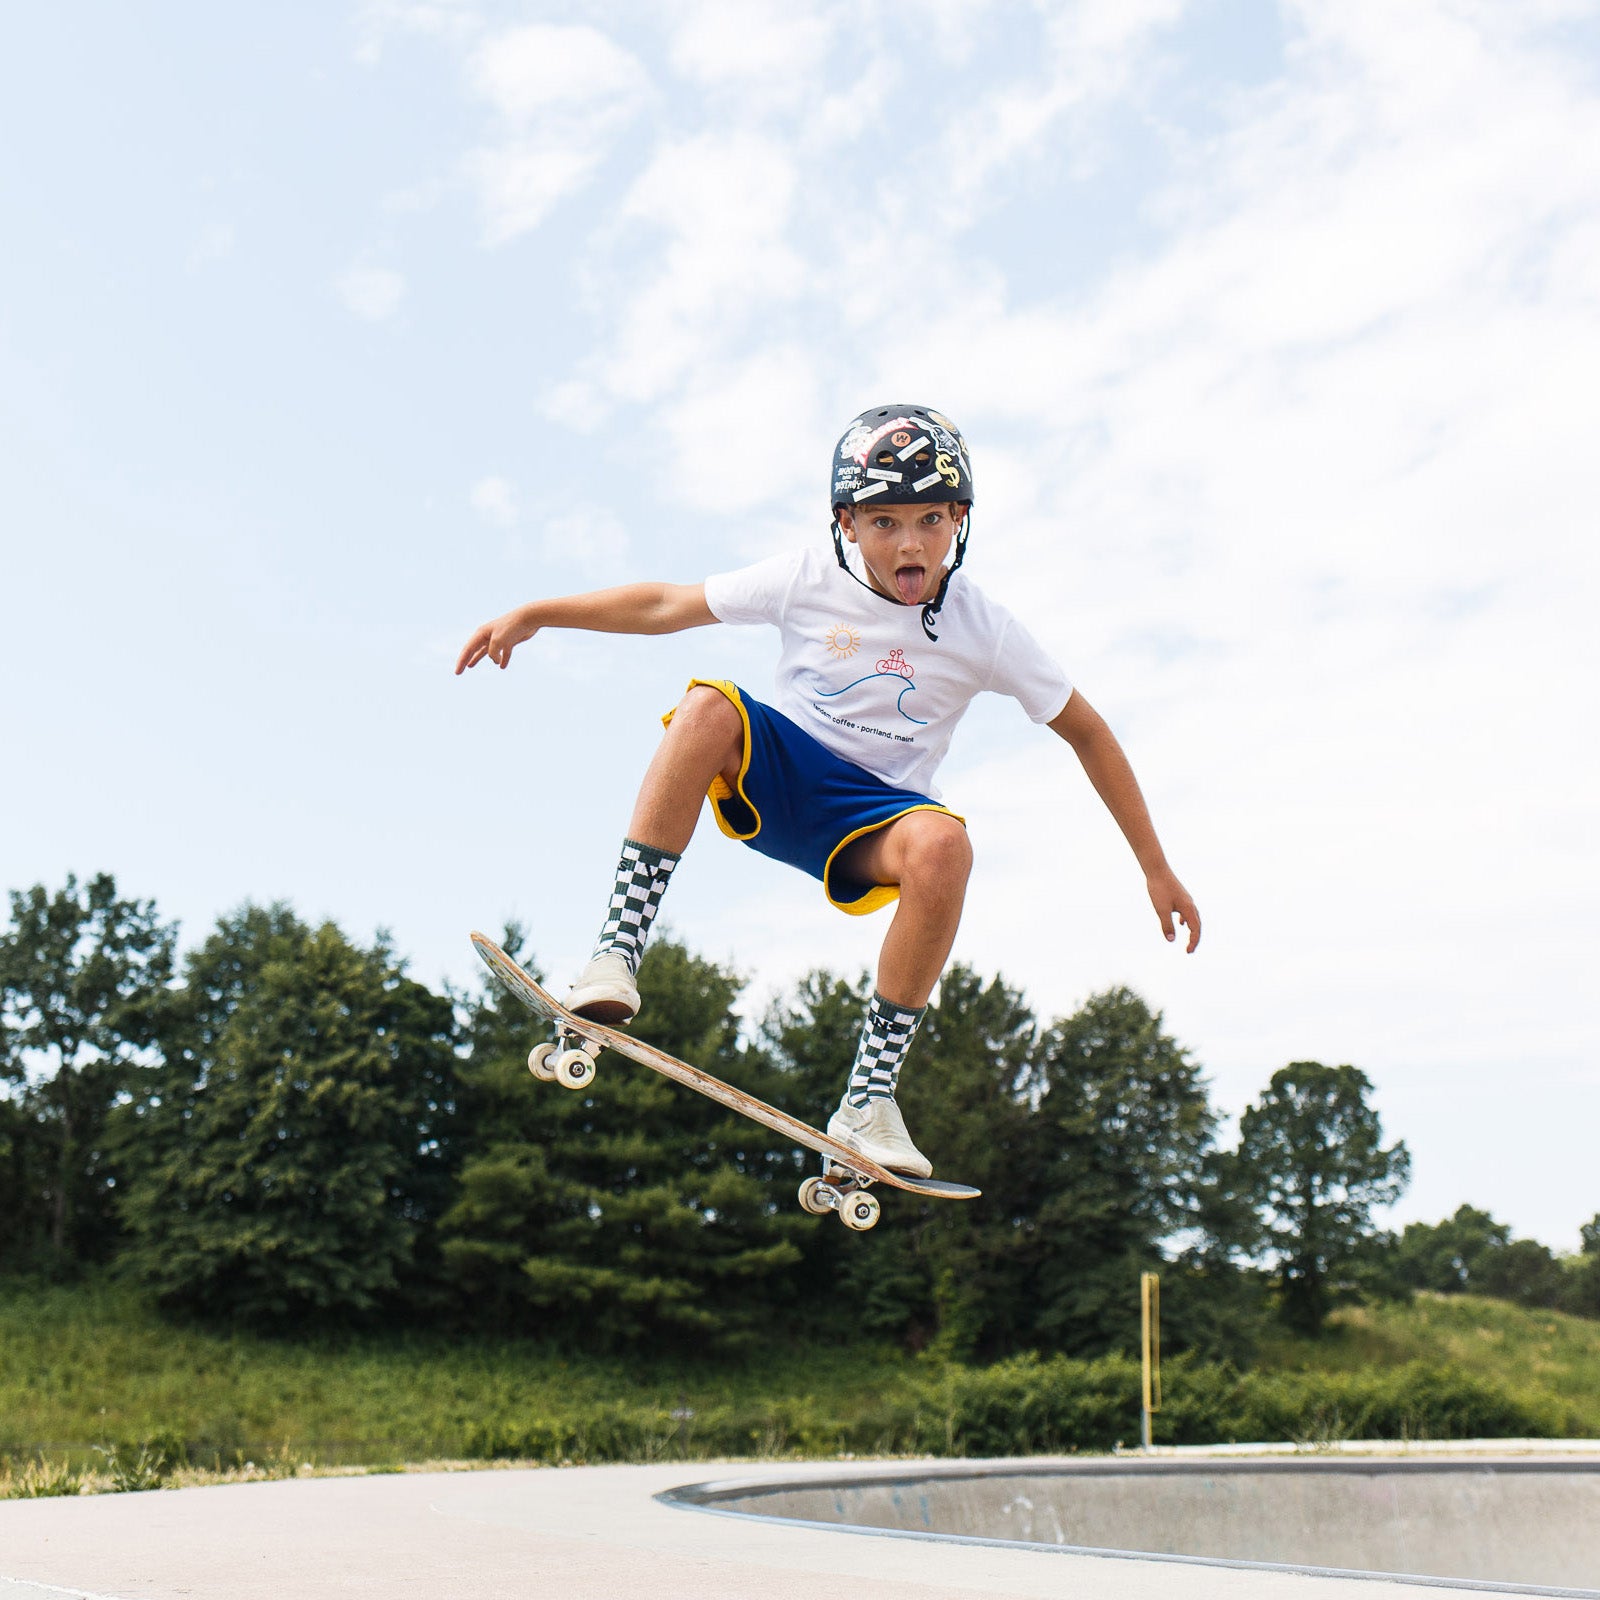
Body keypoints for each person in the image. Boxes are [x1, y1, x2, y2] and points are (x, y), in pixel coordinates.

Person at [455, 403, 1200, 1178]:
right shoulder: (804, 578)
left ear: (961, 519)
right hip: (783, 774)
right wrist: (539, 613)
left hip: (876, 822)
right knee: (709, 706)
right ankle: (614, 956)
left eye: (930, 520)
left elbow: (1087, 730)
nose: (910, 544)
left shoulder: (987, 628)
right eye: (885, 523)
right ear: (847, 521)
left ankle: (869, 1099)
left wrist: (1154, 865)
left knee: (947, 842)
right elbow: (666, 605)